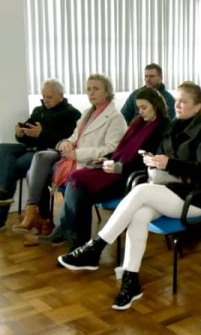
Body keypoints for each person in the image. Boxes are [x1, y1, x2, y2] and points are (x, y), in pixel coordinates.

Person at [57, 83, 201, 310]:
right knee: (139, 216)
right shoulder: (173, 126)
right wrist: (153, 160)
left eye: (184, 102)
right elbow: (164, 158)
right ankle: (130, 281)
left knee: (141, 191)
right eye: (177, 100)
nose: (178, 105)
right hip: (167, 191)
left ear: (197, 107)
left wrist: (169, 163)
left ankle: (96, 247)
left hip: (195, 198)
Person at [43, 86, 168, 248]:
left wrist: (118, 167)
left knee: (78, 181)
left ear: (156, 105)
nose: (140, 112)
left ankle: (72, 237)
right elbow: (121, 150)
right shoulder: (139, 122)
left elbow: (148, 161)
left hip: (130, 177)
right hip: (117, 168)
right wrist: (106, 158)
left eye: (144, 107)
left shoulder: (162, 127)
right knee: (80, 188)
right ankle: (77, 241)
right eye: (138, 108)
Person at [17, 74, 125, 237]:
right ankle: (39, 216)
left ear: (107, 92)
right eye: (88, 89)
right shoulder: (88, 112)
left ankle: (58, 229)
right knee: (42, 163)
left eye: (96, 89)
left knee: (44, 174)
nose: (91, 93)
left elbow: (111, 149)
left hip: (90, 163)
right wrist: (64, 143)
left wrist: (77, 154)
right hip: (73, 157)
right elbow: (74, 136)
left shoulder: (115, 117)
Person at [0, 79, 81, 236]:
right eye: (43, 96)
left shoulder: (71, 114)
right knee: (4, 148)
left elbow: (67, 143)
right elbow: (26, 137)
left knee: (11, 168)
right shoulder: (38, 110)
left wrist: (42, 134)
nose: (45, 100)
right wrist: (20, 134)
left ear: (60, 96)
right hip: (32, 149)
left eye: (49, 97)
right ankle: (3, 193)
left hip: (50, 154)